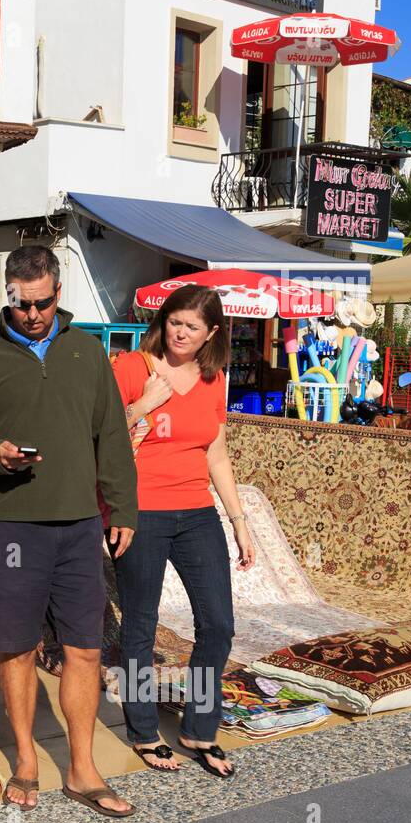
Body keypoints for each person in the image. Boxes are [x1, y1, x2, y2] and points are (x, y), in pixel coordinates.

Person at [0, 245, 138, 817]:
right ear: (10, 295)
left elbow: (112, 437)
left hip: (78, 525)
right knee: (18, 647)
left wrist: (121, 508)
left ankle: (82, 768)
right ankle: (25, 760)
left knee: (85, 649)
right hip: (10, 526)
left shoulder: (87, 353)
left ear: (58, 292)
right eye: (22, 305)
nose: (32, 315)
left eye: (42, 303)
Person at [110, 284, 255, 779]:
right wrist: (145, 403)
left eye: (193, 327)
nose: (181, 333)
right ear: (163, 320)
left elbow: (216, 453)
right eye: (175, 322)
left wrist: (239, 522)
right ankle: (145, 731)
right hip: (141, 511)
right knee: (140, 626)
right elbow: (101, 434)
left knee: (218, 624)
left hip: (196, 513)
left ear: (212, 332)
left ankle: (198, 728)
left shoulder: (215, 379)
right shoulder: (132, 368)